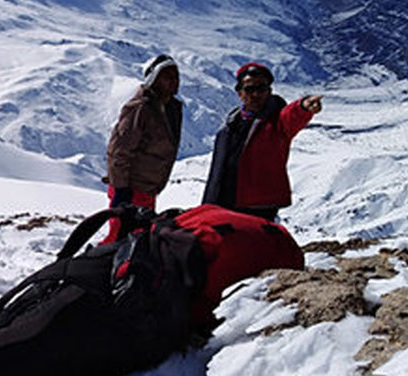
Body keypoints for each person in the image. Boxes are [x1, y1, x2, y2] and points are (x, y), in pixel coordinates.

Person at [202, 61, 323, 220]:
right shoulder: (230, 124)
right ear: (239, 93)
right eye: (249, 89)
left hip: (259, 205)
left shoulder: (277, 122)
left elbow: (291, 116)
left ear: (269, 91)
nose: (256, 94)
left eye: (261, 88)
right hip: (225, 201)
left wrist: (303, 106)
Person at [103, 53, 183, 242]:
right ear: (154, 79)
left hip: (147, 189)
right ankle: (100, 268)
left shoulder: (171, 109)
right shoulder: (140, 109)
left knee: (137, 237)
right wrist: (122, 190)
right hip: (130, 189)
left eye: (175, 76)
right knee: (120, 237)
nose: (173, 81)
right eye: (167, 76)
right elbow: (119, 150)